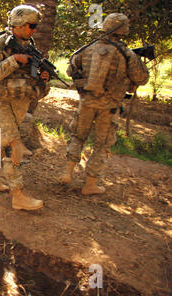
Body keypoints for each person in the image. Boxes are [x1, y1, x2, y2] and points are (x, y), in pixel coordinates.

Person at [59, 13, 149, 194]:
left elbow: (70, 70)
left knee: (77, 136)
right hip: (110, 107)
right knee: (102, 145)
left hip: (86, 102)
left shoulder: (87, 48)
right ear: (123, 31)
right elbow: (141, 78)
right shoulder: (127, 54)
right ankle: (90, 184)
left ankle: (67, 173)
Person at [0, 5, 50, 210]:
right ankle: (18, 195)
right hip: (2, 101)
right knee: (15, 143)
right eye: (32, 25)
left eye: (36, 26)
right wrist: (14, 60)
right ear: (19, 24)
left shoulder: (30, 46)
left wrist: (43, 80)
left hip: (20, 103)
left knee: (2, 142)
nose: (34, 30)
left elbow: (35, 82)